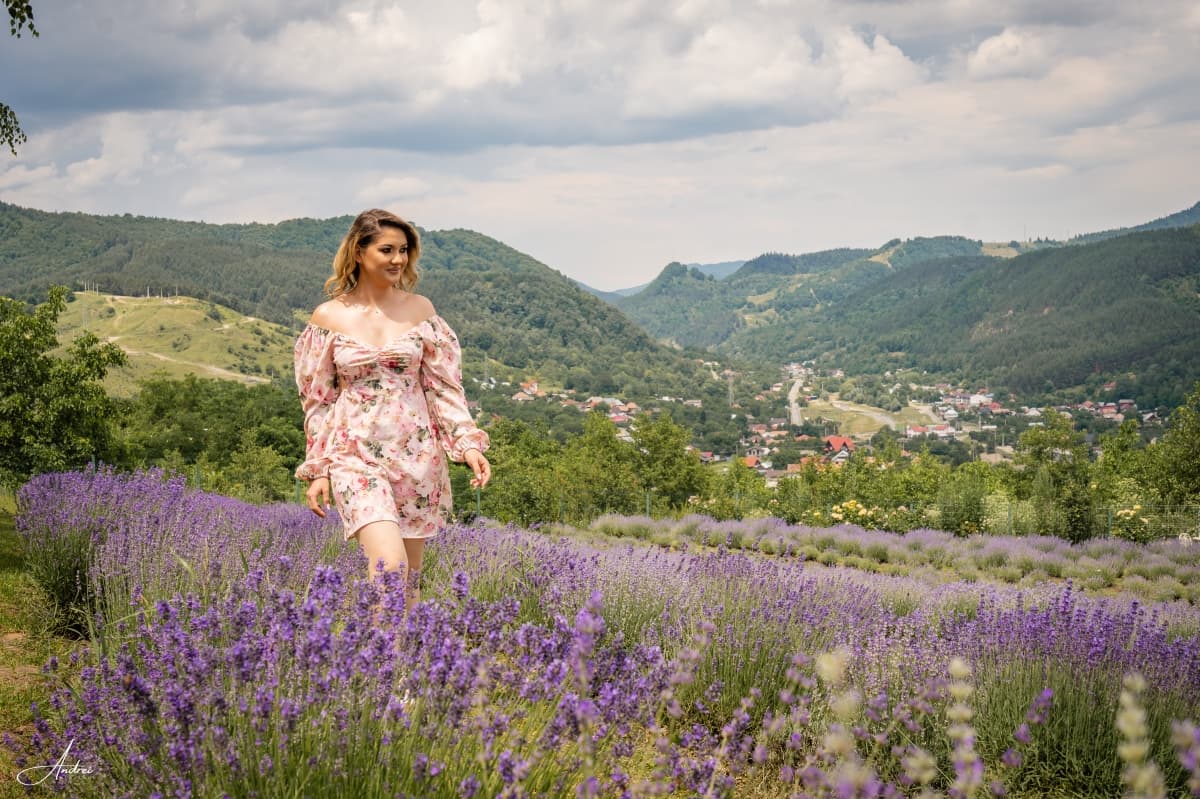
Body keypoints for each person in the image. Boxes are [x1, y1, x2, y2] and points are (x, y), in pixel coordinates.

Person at [293, 209, 491, 611]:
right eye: (387, 250)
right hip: (355, 458)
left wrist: (468, 444)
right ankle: (376, 666)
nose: (398, 259)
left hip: (417, 459)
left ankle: (400, 667)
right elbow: (318, 402)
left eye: (404, 250)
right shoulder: (329, 317)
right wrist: (319, 469)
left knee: (410, 585)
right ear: (359, 252)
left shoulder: (421, 311)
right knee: (389, 567)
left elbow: (444, 389)